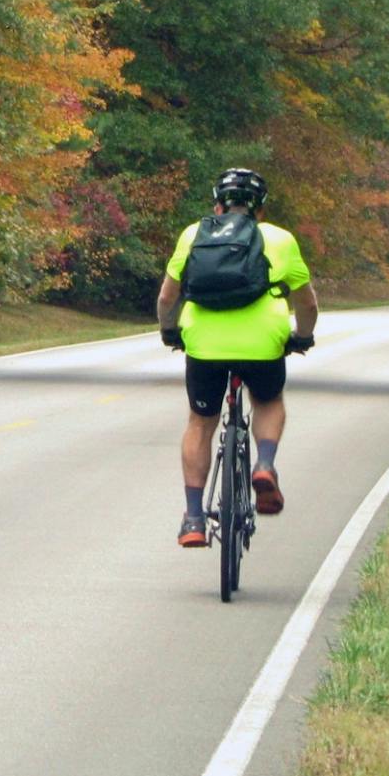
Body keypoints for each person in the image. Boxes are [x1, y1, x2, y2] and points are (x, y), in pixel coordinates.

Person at [157, 167, 317, 548]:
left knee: (200, 422)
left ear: (217, 203)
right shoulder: (280, 239)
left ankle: (194, 518)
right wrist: (303, 337)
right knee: (267, 400)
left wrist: (169, 331)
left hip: (204, 344)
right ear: (260, 208)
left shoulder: (193, 234)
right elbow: (307, 302)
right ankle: (263, 465)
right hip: (263, 343)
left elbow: (167, 298)